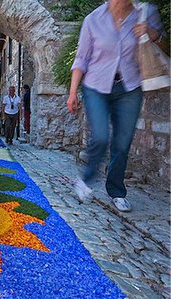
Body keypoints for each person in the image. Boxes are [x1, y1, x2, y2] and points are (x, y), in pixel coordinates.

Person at [67, 0, 165, 212]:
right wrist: (73, 91)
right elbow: (81, 58)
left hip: (130, 87)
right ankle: (85, 180)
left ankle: (116, 191)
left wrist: (151, 32)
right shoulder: (93, 20)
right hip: (96, 86)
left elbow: (163, 45)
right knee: (101, 136)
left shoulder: (145, 12)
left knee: (122, 143)